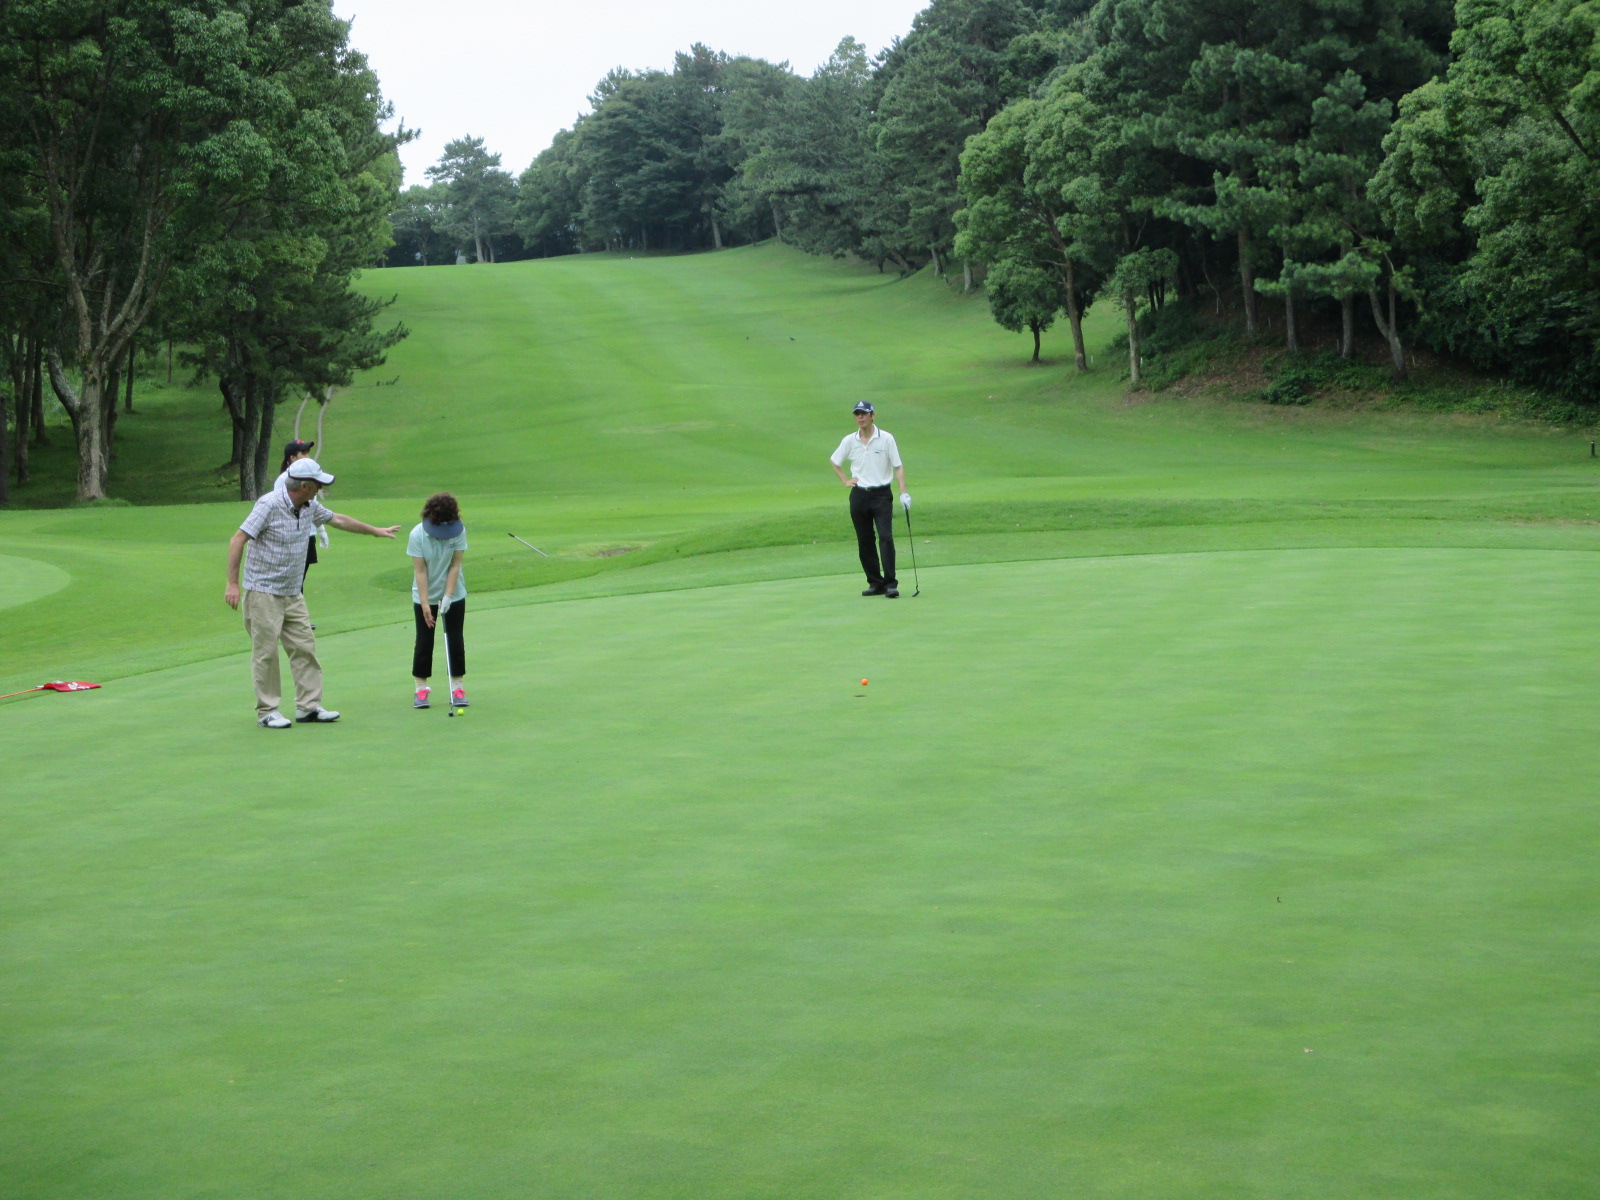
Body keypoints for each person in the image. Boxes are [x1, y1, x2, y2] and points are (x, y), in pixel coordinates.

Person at [224, 458, 400, 728]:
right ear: (304, 485)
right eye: (318, 484)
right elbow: (238, 539)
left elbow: (338, 519)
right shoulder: (269, 504)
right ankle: (267, 711)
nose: (321, 488)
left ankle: (309, 707)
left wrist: (375, 531)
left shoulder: (308, 505)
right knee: (266, 652)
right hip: (263, 592)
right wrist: (232, 584)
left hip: (292, 592)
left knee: (305, 648)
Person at [829, 400, 910, 598]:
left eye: (864, 413)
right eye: (857, 414)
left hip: (881, 494)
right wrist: (845, 480)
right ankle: (875, 583)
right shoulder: (850, 440)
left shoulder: (886, 438)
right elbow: (834, 461)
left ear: (872, 415)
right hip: (859, 496)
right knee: (865, 540)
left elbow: (898, 466)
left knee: (885, 537)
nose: (860, 417)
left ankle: (890, 583)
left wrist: (903, 492)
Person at [408, 493, 469, 710]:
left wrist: (449, 595)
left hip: (455, 593)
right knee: (424, 641)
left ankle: (457, 688)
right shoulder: (417, 535)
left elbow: (455, 565)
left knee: (454, 639)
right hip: (424, 594)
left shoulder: (459, 531)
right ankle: (421, 689)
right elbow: (420, 570)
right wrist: (426, 603)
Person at [273, 440, 322, 588]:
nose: (308, 456)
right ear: (292, 458)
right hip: (291, 537)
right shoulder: (283, 480)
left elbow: (314, 507)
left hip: (308, 535)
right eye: (303, 453)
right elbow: (278, 508)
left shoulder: (308, 477)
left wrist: (320, 528)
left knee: (299, 582)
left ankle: (293, 609)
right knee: (293, 584)